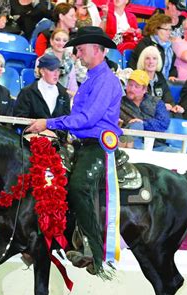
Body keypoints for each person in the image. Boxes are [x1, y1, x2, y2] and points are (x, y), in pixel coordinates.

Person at [26, 26, 123, 276]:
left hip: (97, 144)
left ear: (95, 49)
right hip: (81, 143)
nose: (77, 55)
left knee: (78, 187)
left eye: (80, 50)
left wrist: (48, 123)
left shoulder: (106, 80)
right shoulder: (93, 79)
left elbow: (87, 118)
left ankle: (95, 249)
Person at [119, 70, 170, 150]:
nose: (131, 89)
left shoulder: (156, 102)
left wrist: (143, 123)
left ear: (144, 90)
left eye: (136, 86)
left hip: (157, 145)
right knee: (136, 125)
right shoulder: (119, 103)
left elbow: (163, 123)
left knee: (179, 154)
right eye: (130, 85)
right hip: (129, 143)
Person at [14, 54, 70, 118]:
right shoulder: (27, 92)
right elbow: (20, 119)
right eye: (52, 70)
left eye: (58, 70)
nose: (56, 74)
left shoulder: (63, 93)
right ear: (42, 71)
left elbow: (66, 120)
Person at [128, 13, 177, 82]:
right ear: (156, 29)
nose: (169, 33)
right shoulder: (146, 43)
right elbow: (148, 67)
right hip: (142, 81)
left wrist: (172, 75)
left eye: (170, 29)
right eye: (166, 30)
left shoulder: (169, 48)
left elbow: (172, 68)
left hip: (162, 83)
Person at [137, 45, 183, 115]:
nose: (151, 62)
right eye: (147, 58)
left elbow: (169, 100)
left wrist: (174, 108)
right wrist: (161, 107)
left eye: (154, 58)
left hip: (160, 115)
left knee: (178, 114)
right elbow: (140, 104)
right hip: (143, 116)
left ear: (158, 62)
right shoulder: (138, 78)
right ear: (142, 61)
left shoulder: (160, 78)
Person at [44, 28, 78, 95]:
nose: (61, 43)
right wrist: (68, 92)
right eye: (57, 40)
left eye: (64, 41)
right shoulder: (42, 60)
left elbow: (73, 86)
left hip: (66, 99)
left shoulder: (70, 63)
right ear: (51, 41)